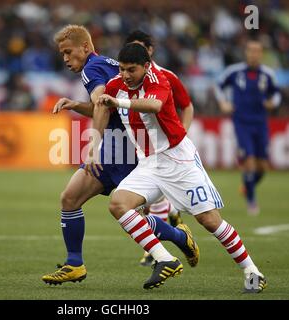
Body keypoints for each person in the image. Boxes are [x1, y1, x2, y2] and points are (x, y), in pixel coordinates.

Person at [89, 43, 266, 291]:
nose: (126, 75)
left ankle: (252, 271)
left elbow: (154, 106)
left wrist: (120, 103)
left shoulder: (159, 79)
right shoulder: (116, 84)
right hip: (149, 164)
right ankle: (165, 259)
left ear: (146, 66)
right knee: (118, 204)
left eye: (131, 70)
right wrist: (93, 144)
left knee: (209, 220)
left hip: (178, 161)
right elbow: (101, 108)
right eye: (122, 69)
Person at [42, 25, 199, 286]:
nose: (66, 59)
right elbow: (105, 106)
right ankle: (74, 264)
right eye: (62, 55)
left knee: (123, 210)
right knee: (70, 198)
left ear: (85, 47)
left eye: (69, 52)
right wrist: (76, 105)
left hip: (123, 150)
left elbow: (102, 104)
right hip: (118, 148)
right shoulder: (105, 63)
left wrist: (92, 145)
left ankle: (177, 241)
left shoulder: (91, 69)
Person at [125, 30, 196, 266]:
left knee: (149, 200)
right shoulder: (123, 78)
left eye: (139, 48)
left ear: (150, 51)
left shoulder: (166, 76)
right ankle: (172, 227)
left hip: (165, 148)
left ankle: (156, 251)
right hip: (140, 147)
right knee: (141, 204)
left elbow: (187, 106)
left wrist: (181, 134)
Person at [215, 39, 280, 215]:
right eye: (250, 50)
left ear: (261, 54)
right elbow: (218, 86)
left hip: (260, 123)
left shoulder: (267, 74)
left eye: (257, 51)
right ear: (246, 53)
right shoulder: (235, 72)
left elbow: (276, 94)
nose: (253, 54)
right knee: (249, 161)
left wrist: (272, 103)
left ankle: (247, 185)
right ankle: (251, 200)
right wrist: (224, 103)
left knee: (263, 167)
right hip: (241, 122)